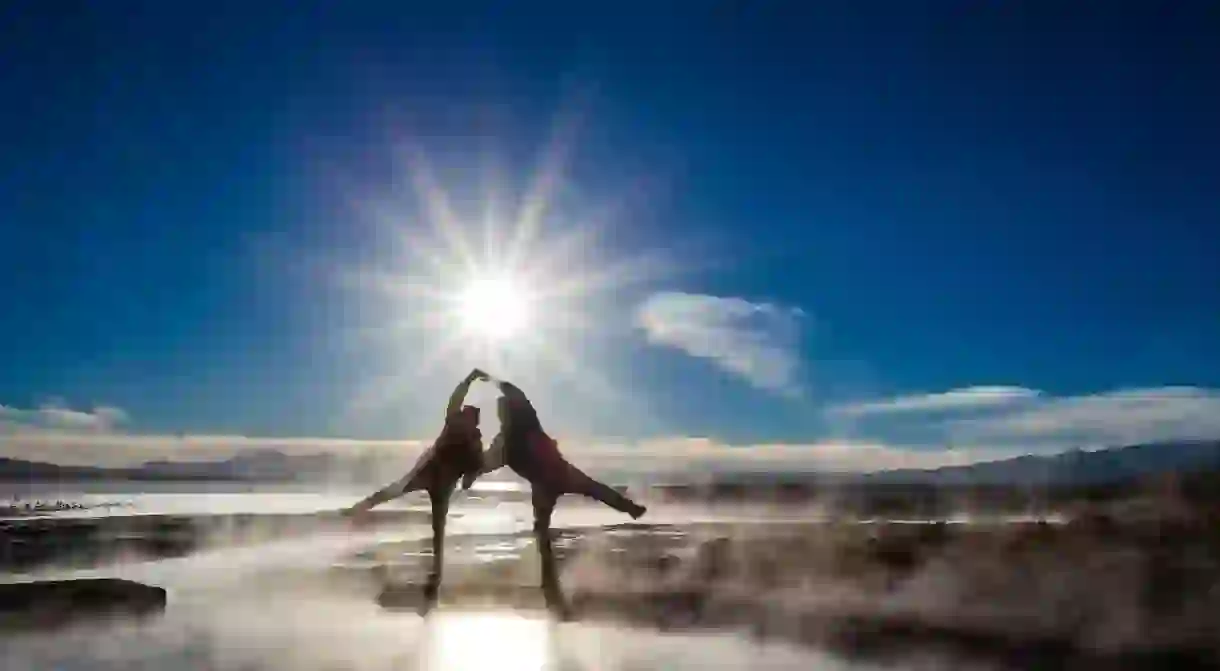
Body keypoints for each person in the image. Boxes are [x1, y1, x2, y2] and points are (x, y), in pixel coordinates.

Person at [471, 378, 647, 616]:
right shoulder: (504, 441)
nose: (504, 416)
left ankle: (630, 507)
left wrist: (493, 380)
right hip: (546, 484)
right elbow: (488, 462)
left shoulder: (526, 424)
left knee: (594, 490)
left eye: (506, 411)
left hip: (559, 473)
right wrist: (472, 475)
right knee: (544, 536)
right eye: (502, 413)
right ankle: (553, 594)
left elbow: (517, 394)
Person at [342, 368, 489, 603]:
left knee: (434, 525)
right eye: (468, 417)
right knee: (401, 495)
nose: (467, 420)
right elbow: (456, 400)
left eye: (470, 418)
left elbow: (474, 469)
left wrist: (469, 477)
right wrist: (469, 379)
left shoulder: (472, 440)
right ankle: (361, 507)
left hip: (440, 481)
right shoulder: (457, 425)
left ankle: (435, 577)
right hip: (430, 474)